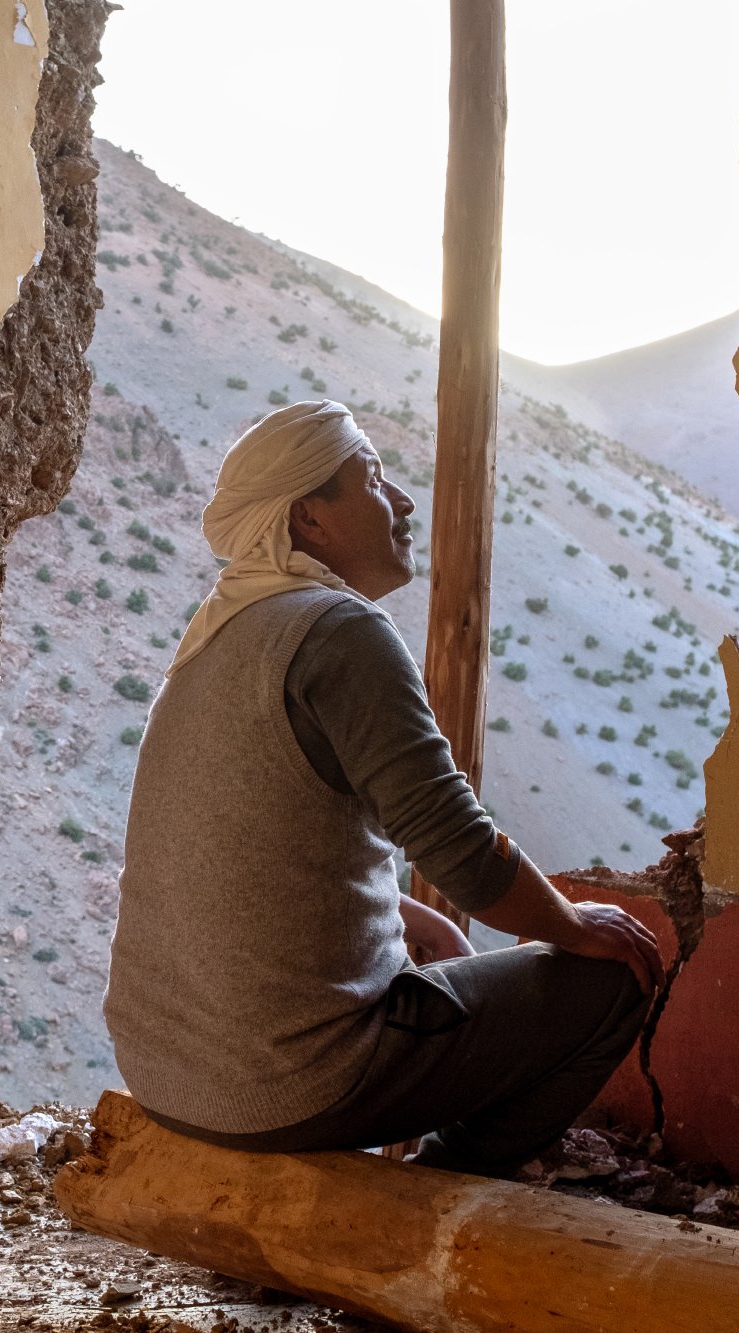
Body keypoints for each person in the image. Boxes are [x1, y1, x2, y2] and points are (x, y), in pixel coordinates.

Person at [103, 399, 664, 1176]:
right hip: (287, 1084)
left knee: (449, 960)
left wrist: (392, 908)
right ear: (310, 519)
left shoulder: (222, 631)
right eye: (371, 478)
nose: (400, 500)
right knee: (612, 974)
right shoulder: (337, 630)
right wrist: (574, 927)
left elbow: (226, 842)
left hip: (168, 1076)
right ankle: (441, 1188)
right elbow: (462, 854)